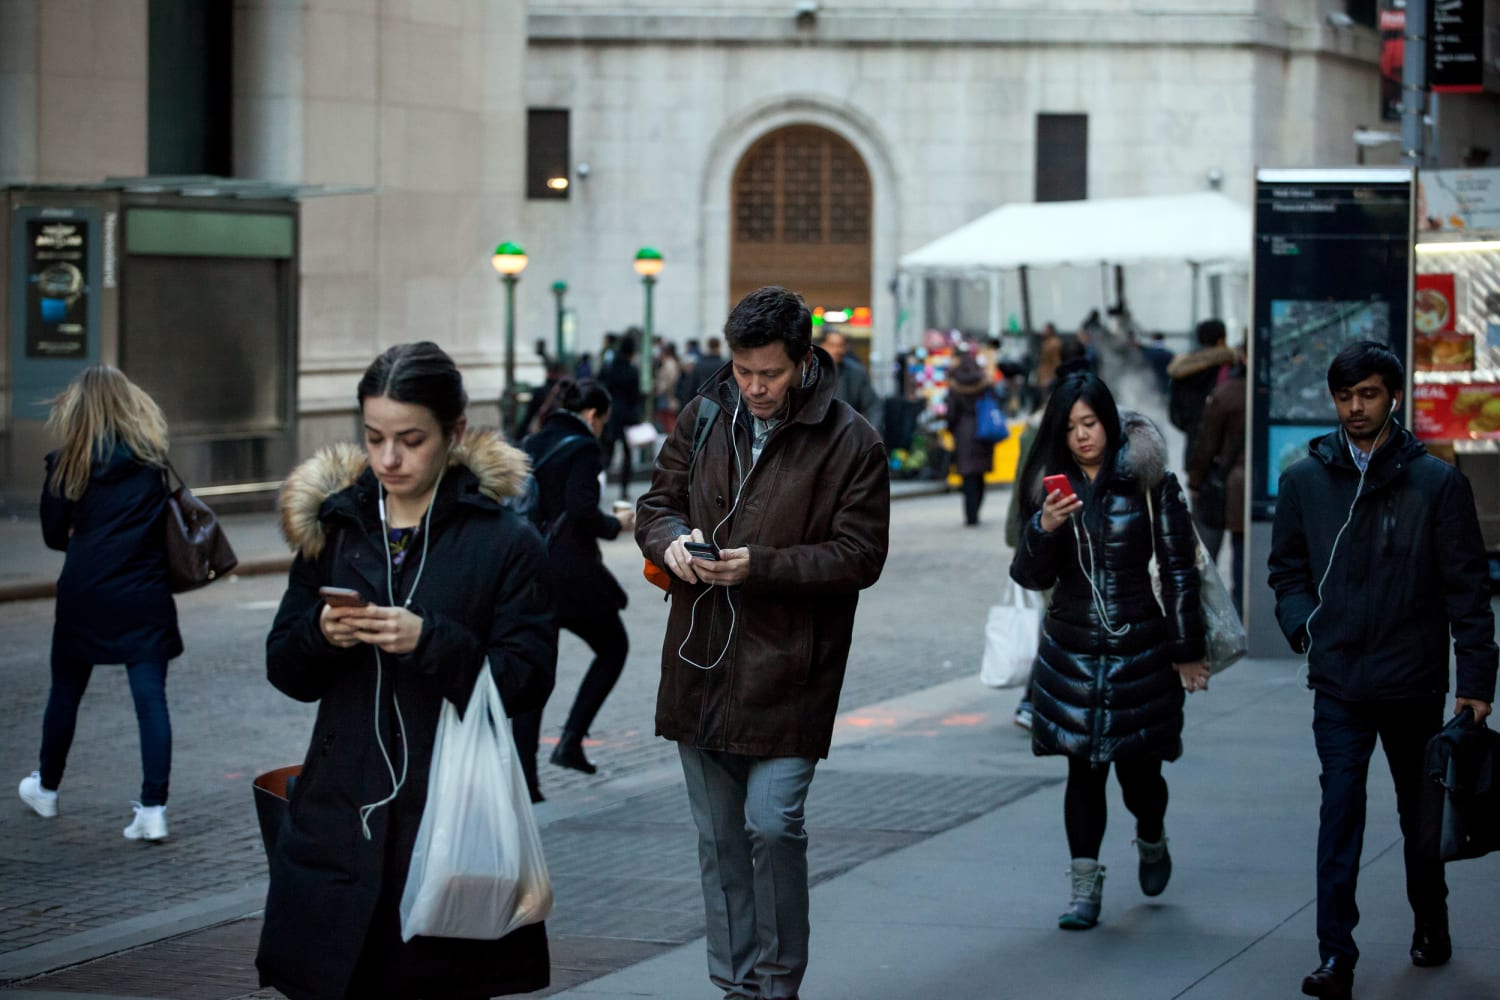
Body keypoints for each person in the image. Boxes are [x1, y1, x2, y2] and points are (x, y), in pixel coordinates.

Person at [256, 342, 557, 1000]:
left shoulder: (505, 542)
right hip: (339, 818)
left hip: (447, 822)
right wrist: (321, 632)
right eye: (374, 438)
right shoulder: (333, 528)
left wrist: (433, 641)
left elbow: (528, 677)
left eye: (410, 440)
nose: (388, 459)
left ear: (453, 434)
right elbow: (286, 667)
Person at [636, 285, 890, 999]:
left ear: (805, 360)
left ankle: (778, 984)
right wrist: (672, 542)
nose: (754, 387)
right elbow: (657, 504)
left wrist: (762, 565)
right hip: (700, 659)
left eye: (770, 373)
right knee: (718, 843)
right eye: (744, 371)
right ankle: (735, 986)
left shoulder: (852, 441)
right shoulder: (705, 414)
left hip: (791, 669)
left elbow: (860, 556)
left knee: (771, 825)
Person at [1268, 341, 1497, 1000]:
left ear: (1392, 396)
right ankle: (1335, 955)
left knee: (1418, 816)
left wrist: (1475, 684)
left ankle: (1432, 921)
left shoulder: (1435, 483)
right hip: (1338, 681)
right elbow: (1286, 567)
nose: (1355, 408)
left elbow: (1467, 590)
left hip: (1412, 682)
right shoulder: (1304, 479)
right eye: (1345, 396)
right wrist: (1302, 621)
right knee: (1340, 813)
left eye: (1368, 394)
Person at [1009, 371, 1207, 931]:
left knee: (1141, 777)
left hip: (1139, 652)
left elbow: (1178, 572)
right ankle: (1084, 890)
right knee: (1083, 771)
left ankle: (1150, 836)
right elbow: (1028, 576)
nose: (1082, 437)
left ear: (1109, 421)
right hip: (1070, 652)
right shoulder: (1050, 487)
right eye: (1070, 427)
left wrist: (1187, 650)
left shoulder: (1149, 483)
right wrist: (1043, 527)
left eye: (1090, 423)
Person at [18, 365, 182, 841]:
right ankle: (153, 810)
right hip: (144, 594)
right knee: (151, 703)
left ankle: (46, 790)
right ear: (131, 405)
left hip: (85, 594)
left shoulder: (67, 464)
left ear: (79, 409)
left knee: (65, 692)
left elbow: (53, 535)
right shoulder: (152, 462)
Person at [511, 378, 635, 803]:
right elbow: (582, 510)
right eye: (602, 421)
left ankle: (527, 785)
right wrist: (616, 524)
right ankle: (571, 740)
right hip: (570, 574)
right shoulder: (583, 447)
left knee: (534, 673)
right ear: (592, 415)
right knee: (614, 647)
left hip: (528, 571)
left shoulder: (530, 442)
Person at [1187, 352, 1247, 616]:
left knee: (1207, 550)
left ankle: (1208, 610)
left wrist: (1196, 480)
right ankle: (1243, 607)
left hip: (1227, 482)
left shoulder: (1227, 393)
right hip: (1252, 482)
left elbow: (1207, 441)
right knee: (1243, 549)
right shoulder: (1274, 389)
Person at [1166, 318, 1235, 471]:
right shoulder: (1230, 368)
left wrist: (1193, 427)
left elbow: (1174, 414)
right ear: (1221, 340)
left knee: (1197, 490)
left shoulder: (1181, 371)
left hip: (1194, 452)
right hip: (1225, 453)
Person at [946, 351, 996, 527]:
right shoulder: (985, 382)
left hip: (963, 433)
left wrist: (951, 428)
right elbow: (995, 403)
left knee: (967, 476)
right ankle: (977, 509)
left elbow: (951, 413)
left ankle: (970, 514)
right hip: (984, 431)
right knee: (980, 474)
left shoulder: (954, 384)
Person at [600, 333, 643, 500]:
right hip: (627, 415)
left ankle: (600, 482)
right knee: (627, 454)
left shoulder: (610, 367)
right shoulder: (632, 371)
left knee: (607, 453)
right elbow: (635, 396)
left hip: (610, 414)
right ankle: (624, 488)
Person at [821, 330, 883, 434]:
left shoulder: (857, 372)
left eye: (841, 346)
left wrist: (872, 433)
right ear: (823, 345)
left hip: (848, 434)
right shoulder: (811, 371)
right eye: (832, 345)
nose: (837, 350)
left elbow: (873, 405)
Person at [654, 341, 683, 434]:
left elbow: (670, 381)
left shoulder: (669, 364)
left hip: (668, 396)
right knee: (666, 420)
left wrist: (661, 389)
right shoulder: (671, 363)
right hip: (668, 396)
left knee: (667, 420)